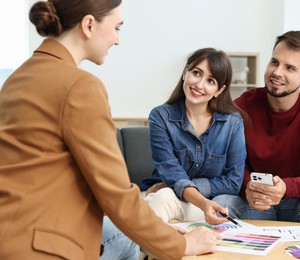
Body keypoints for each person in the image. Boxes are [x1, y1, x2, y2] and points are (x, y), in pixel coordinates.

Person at [0, 1, 221, 259]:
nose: (117, 39)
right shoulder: (80, 87)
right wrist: (181, 245)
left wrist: (166, 234)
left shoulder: (17, 79)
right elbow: (116, 194)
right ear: (89, 25)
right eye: (116, 27)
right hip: (43, 247)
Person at [213, 30, 300, 226]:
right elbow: (230, 164)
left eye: (289, 67)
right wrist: (247, 186)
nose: (277, 72)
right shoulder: (241, 106)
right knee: (222, 202)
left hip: (298, 201)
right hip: (255, 203)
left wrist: (286, 187)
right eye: (274, 62)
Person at [139, 48, 247, 224]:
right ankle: (144, 250)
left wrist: (174, 185)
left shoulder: (233, 123)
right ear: (185, 73)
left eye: (210, 81)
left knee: (220, 205)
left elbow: (233, 182)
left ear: (219, 90)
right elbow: (171, 171)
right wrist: (196, 197)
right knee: (163, 197)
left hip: (208, 202)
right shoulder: (161, 116)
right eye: (196, 73)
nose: (199, 84)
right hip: (169, 199)